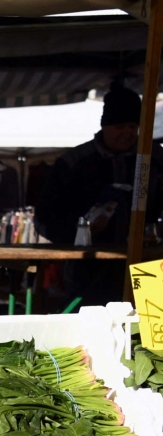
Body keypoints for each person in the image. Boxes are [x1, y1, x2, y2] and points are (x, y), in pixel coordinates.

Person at [36, 84, 163, 303]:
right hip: (88, 267)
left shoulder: (155, 159)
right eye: (120, 126)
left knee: (151, 328)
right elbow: (44, 219)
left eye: (133, 126)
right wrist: (81, 231)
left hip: (147, 262)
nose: (127, 133)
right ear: (105, 126)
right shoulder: (74, 163)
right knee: (93, 329)